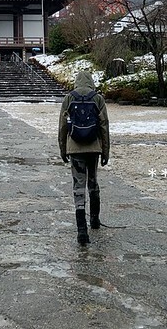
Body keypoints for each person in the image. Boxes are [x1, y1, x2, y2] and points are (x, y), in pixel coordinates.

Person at [58, 70, 110, 246]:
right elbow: (104, 127)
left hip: (75, 148)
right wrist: (105, 151)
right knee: (93, 182)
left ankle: (82, 231)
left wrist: (63, 149)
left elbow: (63, 127)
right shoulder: (97, 98)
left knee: (78, 187)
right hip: (93, 148)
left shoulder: (69, 98)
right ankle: (94, 220)